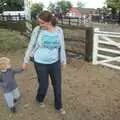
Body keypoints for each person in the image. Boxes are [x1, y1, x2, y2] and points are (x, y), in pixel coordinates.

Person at [22, 11, 66, 115]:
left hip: (55, 62)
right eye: (39, 23)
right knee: (44, 85)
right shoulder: (37, 30)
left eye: (42, 23)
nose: (40, 25)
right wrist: (25, 60)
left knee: (57, 85)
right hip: (40, 62)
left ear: (49, 21)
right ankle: (39, 98)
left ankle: (58, 106)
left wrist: (63, 60)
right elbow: (31, 45)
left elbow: (62, 46)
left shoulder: (59, 31)